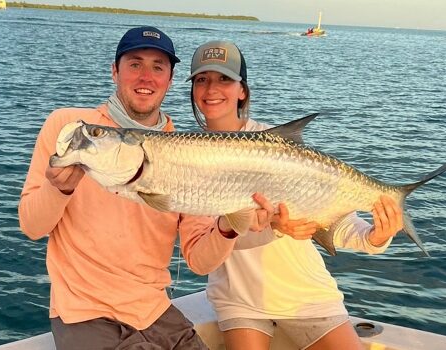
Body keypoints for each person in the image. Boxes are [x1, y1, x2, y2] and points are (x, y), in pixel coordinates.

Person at [18, 28, 275, 349]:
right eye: (134, 64)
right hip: (84, 312)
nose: (146, 77)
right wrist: (59, 190)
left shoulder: (187, 149)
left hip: (154, 311)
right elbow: (31, 225)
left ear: (170, 78)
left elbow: (198, 259)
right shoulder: (70, 126)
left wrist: (227, 226)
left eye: (158, 67)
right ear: (114, 70)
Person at [187, 40, 404, 350]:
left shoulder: (280, 151)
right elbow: (207, 243)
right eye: (201, 79)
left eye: (224, 78)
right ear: (193, 89)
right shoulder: (182, 157)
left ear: (242, 90)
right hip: (239, 299)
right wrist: (273, 228)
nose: (211, 89)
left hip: (307, 296)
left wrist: (375, 237)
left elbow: (337, 224)